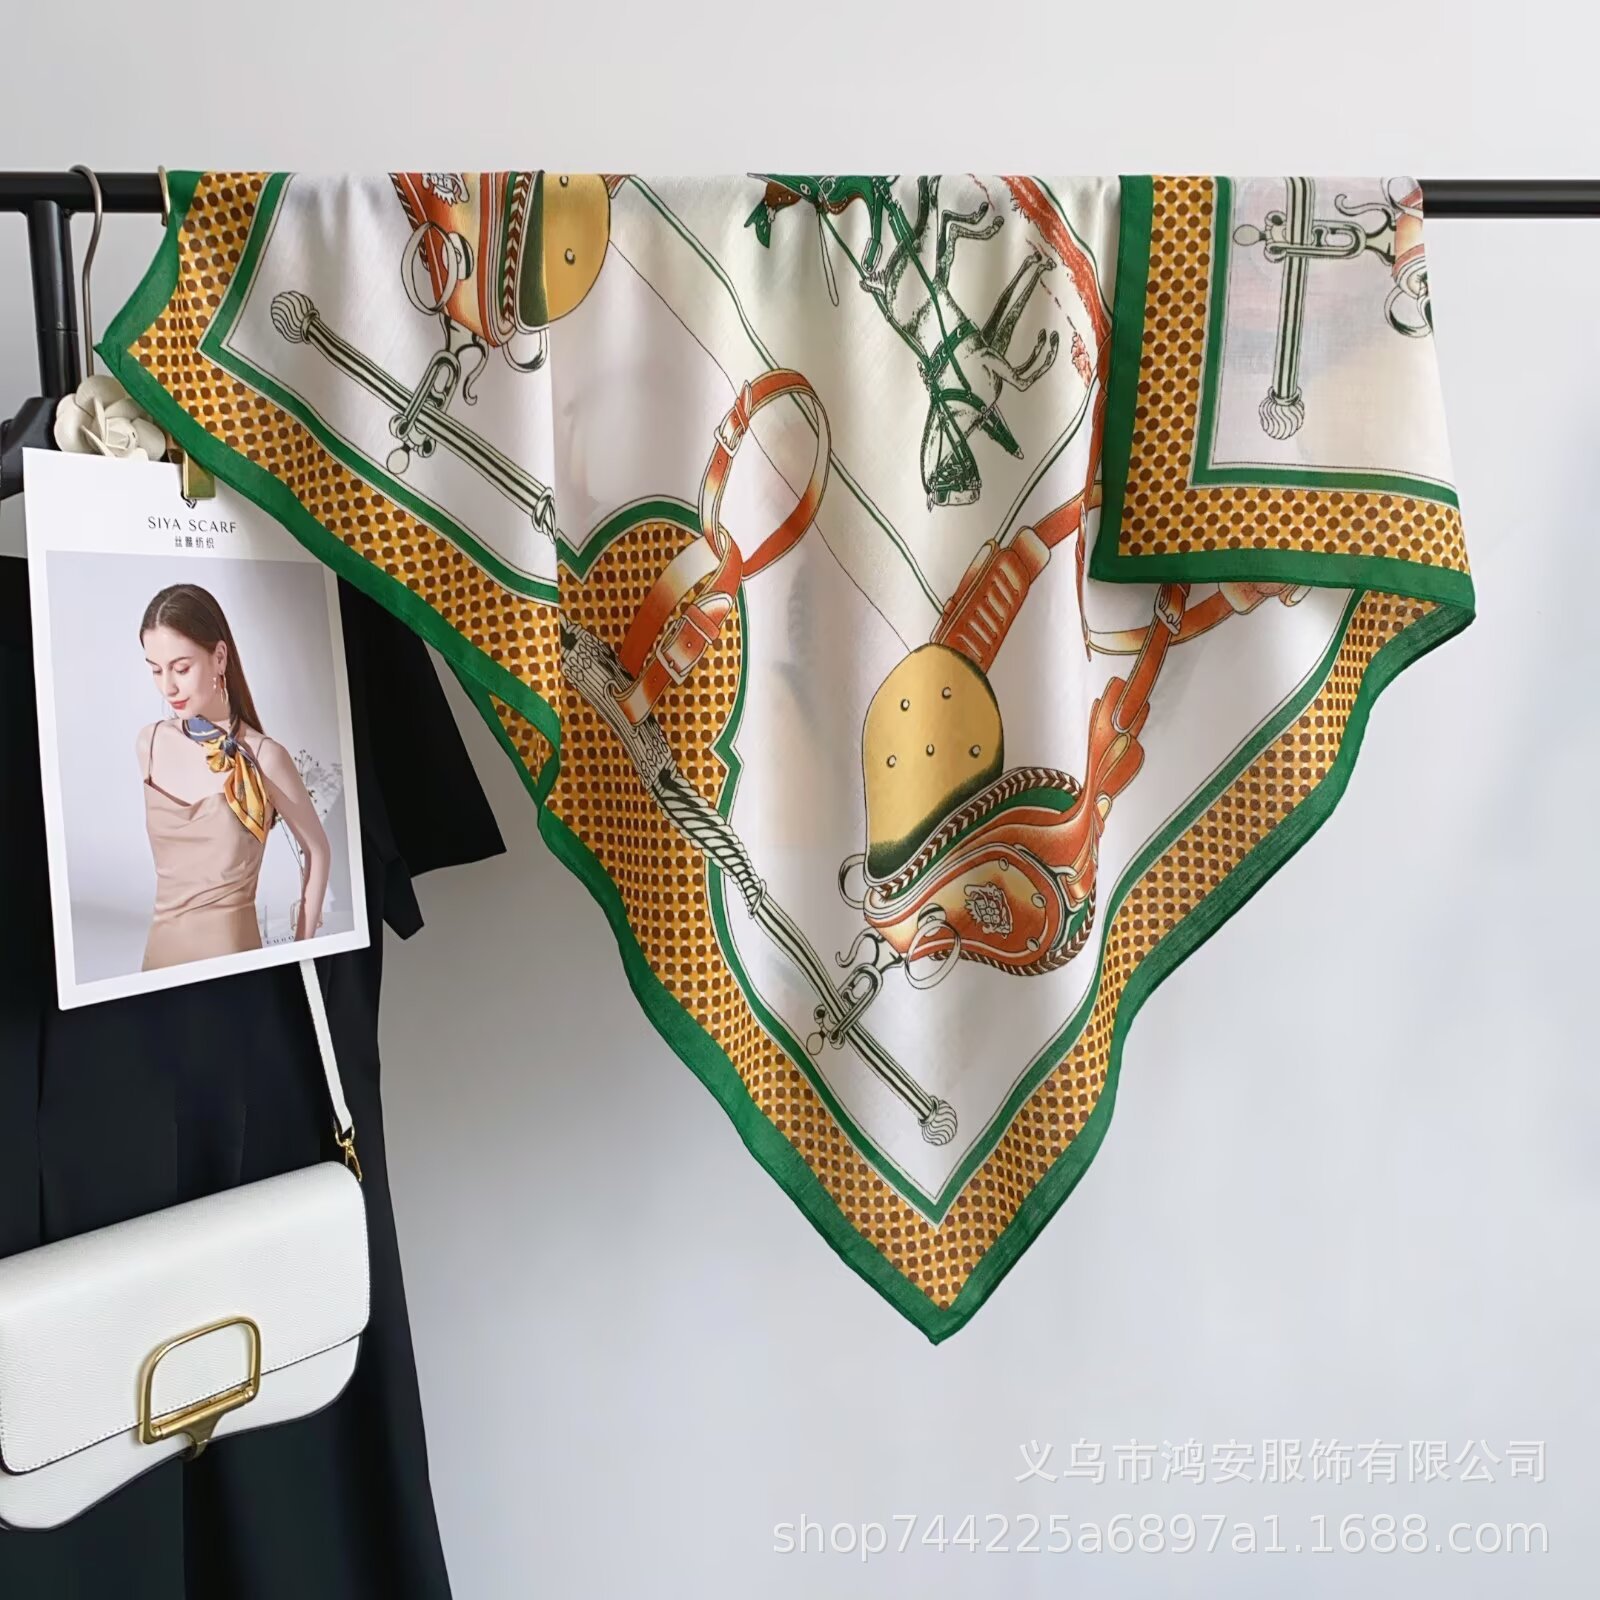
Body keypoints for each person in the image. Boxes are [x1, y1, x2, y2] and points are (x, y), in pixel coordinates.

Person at [137, 583, 330, 970]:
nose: (167, 687)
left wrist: (300, 953)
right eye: (156, 670)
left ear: (219, 657)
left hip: (235, 966)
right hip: (158, 966)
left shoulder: (264, 757)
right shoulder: (150, 742)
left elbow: (318, 851)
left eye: (181, 668)